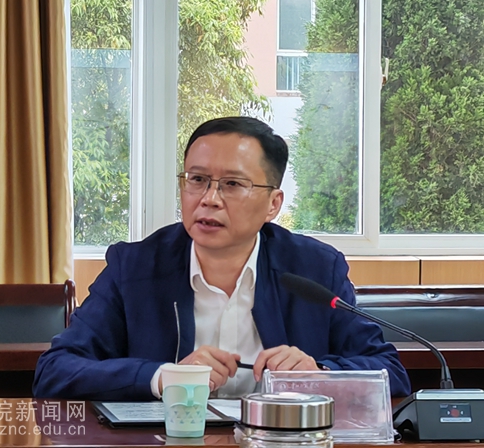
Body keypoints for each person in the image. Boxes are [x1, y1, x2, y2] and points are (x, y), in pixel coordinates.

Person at [33, 116, 411, 400]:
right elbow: (55, 370)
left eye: (232, 184)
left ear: (273, 204)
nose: (209, 199)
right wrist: (163, 377)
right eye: (197, 180)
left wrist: (319, 373)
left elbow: (389, 371)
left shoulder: (315, 269)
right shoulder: (134, 267)